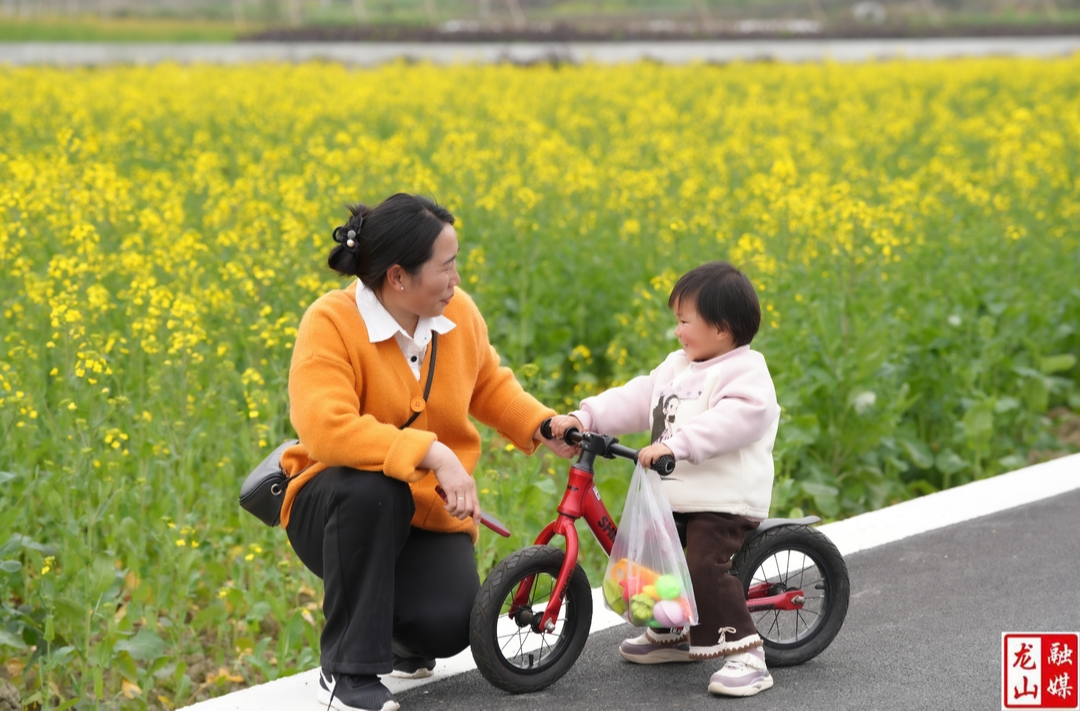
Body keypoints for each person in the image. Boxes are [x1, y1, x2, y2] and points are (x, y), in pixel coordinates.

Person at [278, 193, 574, 711]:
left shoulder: (456, 313)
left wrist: (542, 424)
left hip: (423, 512)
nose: (457, 278)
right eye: (447, 265)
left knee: (446, 628)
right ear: (397, 277)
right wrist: (433, 453)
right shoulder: (330, 322)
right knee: (373, 490)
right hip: (335, 505)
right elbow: (327, 430)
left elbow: (489, 385)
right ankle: (346, 672)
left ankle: (389, 631)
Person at [548, 261, 781, 698]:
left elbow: (736, 420)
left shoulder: (746, 373)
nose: (677, 331)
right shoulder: (677, 366)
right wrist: (586, 415)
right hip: (674, 497)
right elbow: (639, 397)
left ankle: (746, 655)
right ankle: (671, 630)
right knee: (651, 557)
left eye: (684, 321)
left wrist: (679, 445)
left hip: (723, 501)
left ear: (722, 329)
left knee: (702, 566)